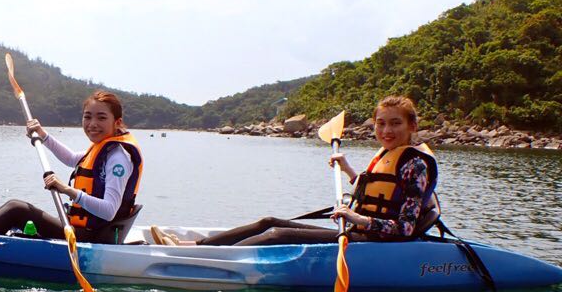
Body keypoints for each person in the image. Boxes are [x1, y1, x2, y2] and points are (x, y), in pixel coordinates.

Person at [151, 95, 438, 246]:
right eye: (381, 123)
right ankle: (194, 245)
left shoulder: (415, 163)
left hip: (378, 243)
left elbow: (404, 227)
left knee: (278, 235)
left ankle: (199, 255)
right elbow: (379, 192)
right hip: (361, 232)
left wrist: (357, 219)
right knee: (269, 221)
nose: (387, 130)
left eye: (395, 123)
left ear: (412, 126)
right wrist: (349, 170)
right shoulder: (390, 154)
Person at [0, 91, 143, 243]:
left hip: (90, 238)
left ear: (118, 122)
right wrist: (43, 135)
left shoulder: (118, 158)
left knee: (16, 210)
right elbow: (71, 158)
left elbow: (109, 211)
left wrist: (67, 190)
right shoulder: (102, 149)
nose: (92, 123)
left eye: (101, 117)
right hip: (82, 231)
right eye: (87, 116)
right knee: (15, 207)